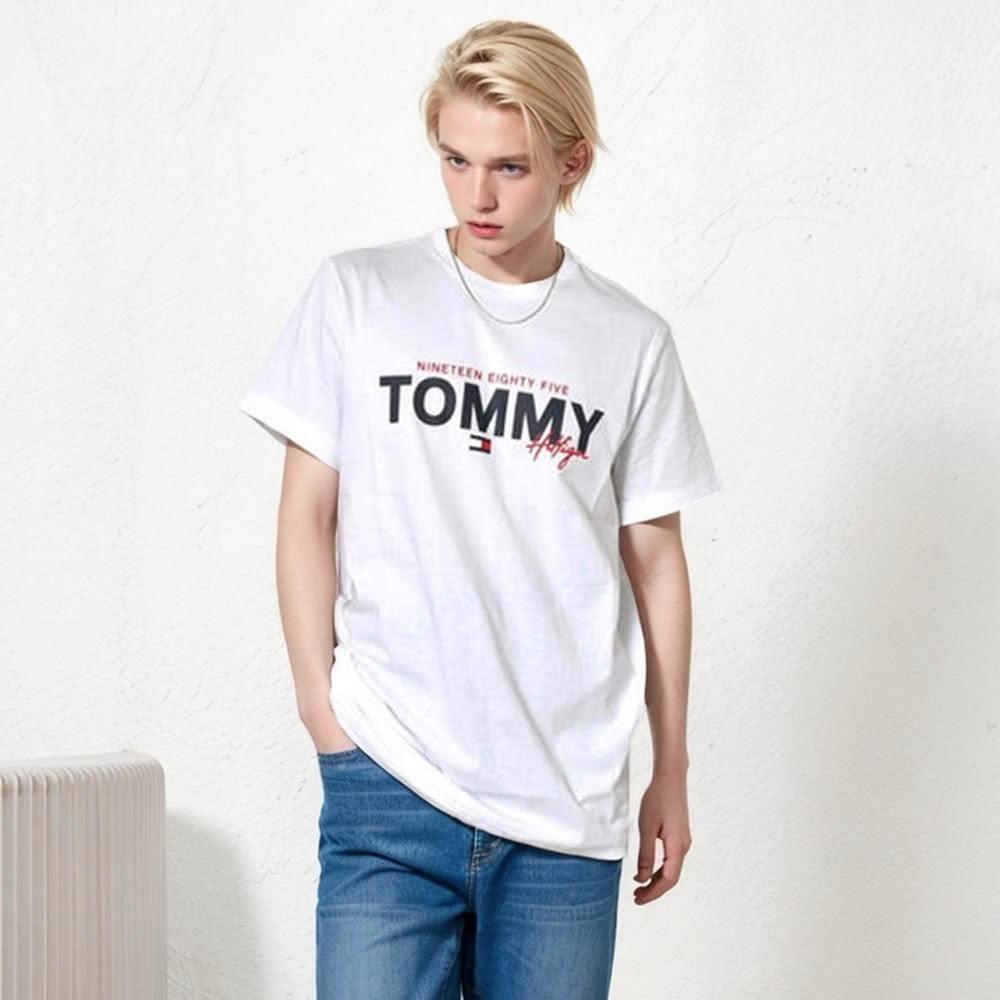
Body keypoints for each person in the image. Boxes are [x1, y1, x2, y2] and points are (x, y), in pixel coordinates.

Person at [239, 18, 723, 1000]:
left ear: (572, 164)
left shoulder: (629, 340)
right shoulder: (360, 295)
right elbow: (306, 515)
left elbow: (657, 561)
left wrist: (670, 766)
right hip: (388, 780)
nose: (477, 196)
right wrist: (321, 709)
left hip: (564, 804)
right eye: (455, 160)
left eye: (510, 167)